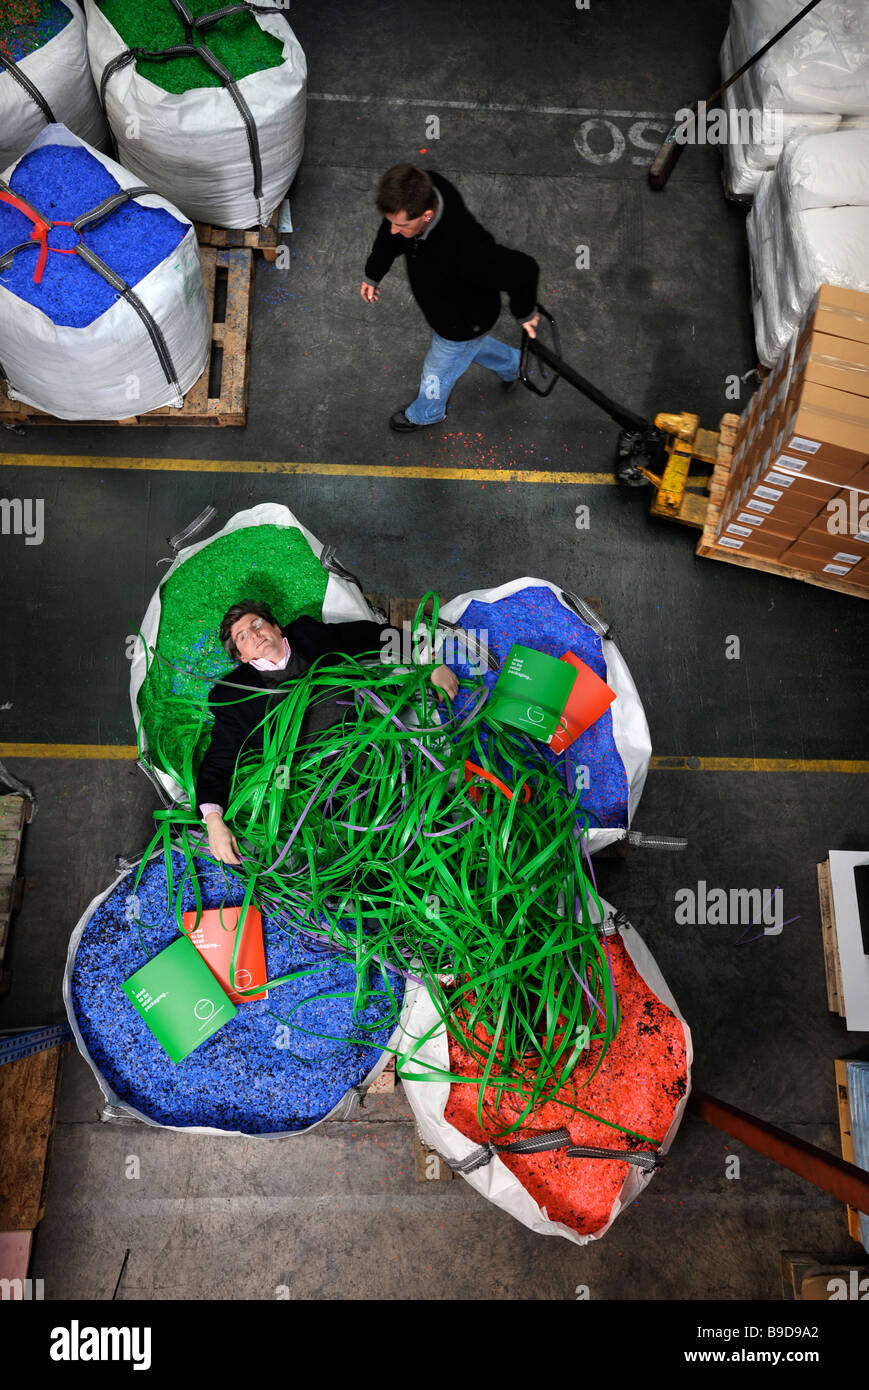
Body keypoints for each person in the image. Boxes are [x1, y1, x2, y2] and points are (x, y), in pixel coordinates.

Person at [196, 600, 459, 864]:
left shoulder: (308, 635)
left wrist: (428, 660)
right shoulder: (233, 695)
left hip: (372, 753)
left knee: (431, 820)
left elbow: (369, 635)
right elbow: (219, 760)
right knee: (358, 855)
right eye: (242, 636)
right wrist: (214, 822)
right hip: (320, 786)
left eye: (257, 624)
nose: (254, 634)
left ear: (276, 628)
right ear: (242, 656)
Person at [360, 163, 540, 432]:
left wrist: (525, 312)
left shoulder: (466, 249)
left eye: (402, 225)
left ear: (427, 216)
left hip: (463, 323)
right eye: (391, 222)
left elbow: (524, 269)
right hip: (451, 315)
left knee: (437, 372)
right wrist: (373, 274)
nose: (394, 230)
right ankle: (514, 364)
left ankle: (426, 413)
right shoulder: (421, 190)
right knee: (473, 348)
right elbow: (390, 238)